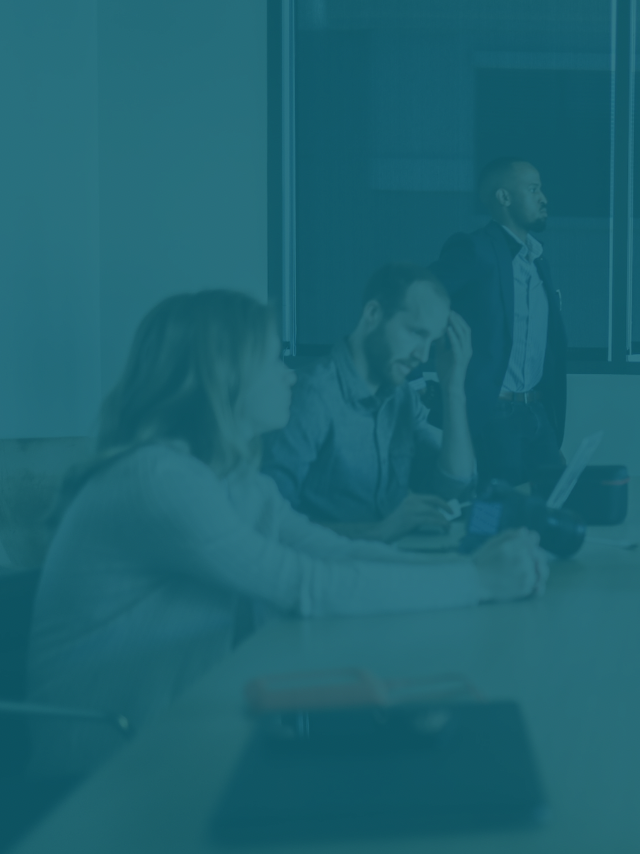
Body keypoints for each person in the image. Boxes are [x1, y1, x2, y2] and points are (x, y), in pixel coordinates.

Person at [27, 290, 547, 779]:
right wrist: (478, 582)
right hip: (102, 771)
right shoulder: (158, 480)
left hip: (173, 738)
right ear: (223, 376)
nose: (291, 377)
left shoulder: (225, 480)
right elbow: (307, 587)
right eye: (275, 360)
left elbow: (335, 553)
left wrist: (469, 572)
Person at [262, 264, 476, 541]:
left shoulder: (402, 398)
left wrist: (454, 388)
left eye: (431, 343)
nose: (423, 357)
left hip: (386, 561)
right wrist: (377, 532)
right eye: (415, 333)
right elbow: (270, 523)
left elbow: (453, 484)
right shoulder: (311, 396)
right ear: (373, 314)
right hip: (330, 570)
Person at [431, 157, 567, 487]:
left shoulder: (537, 260)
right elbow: (420, 296)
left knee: (557, 504)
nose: (544, 198)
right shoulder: (474, 249)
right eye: (533, 189)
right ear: (504, 198)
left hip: (537, 410)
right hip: (494, 413)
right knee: (498, 515)